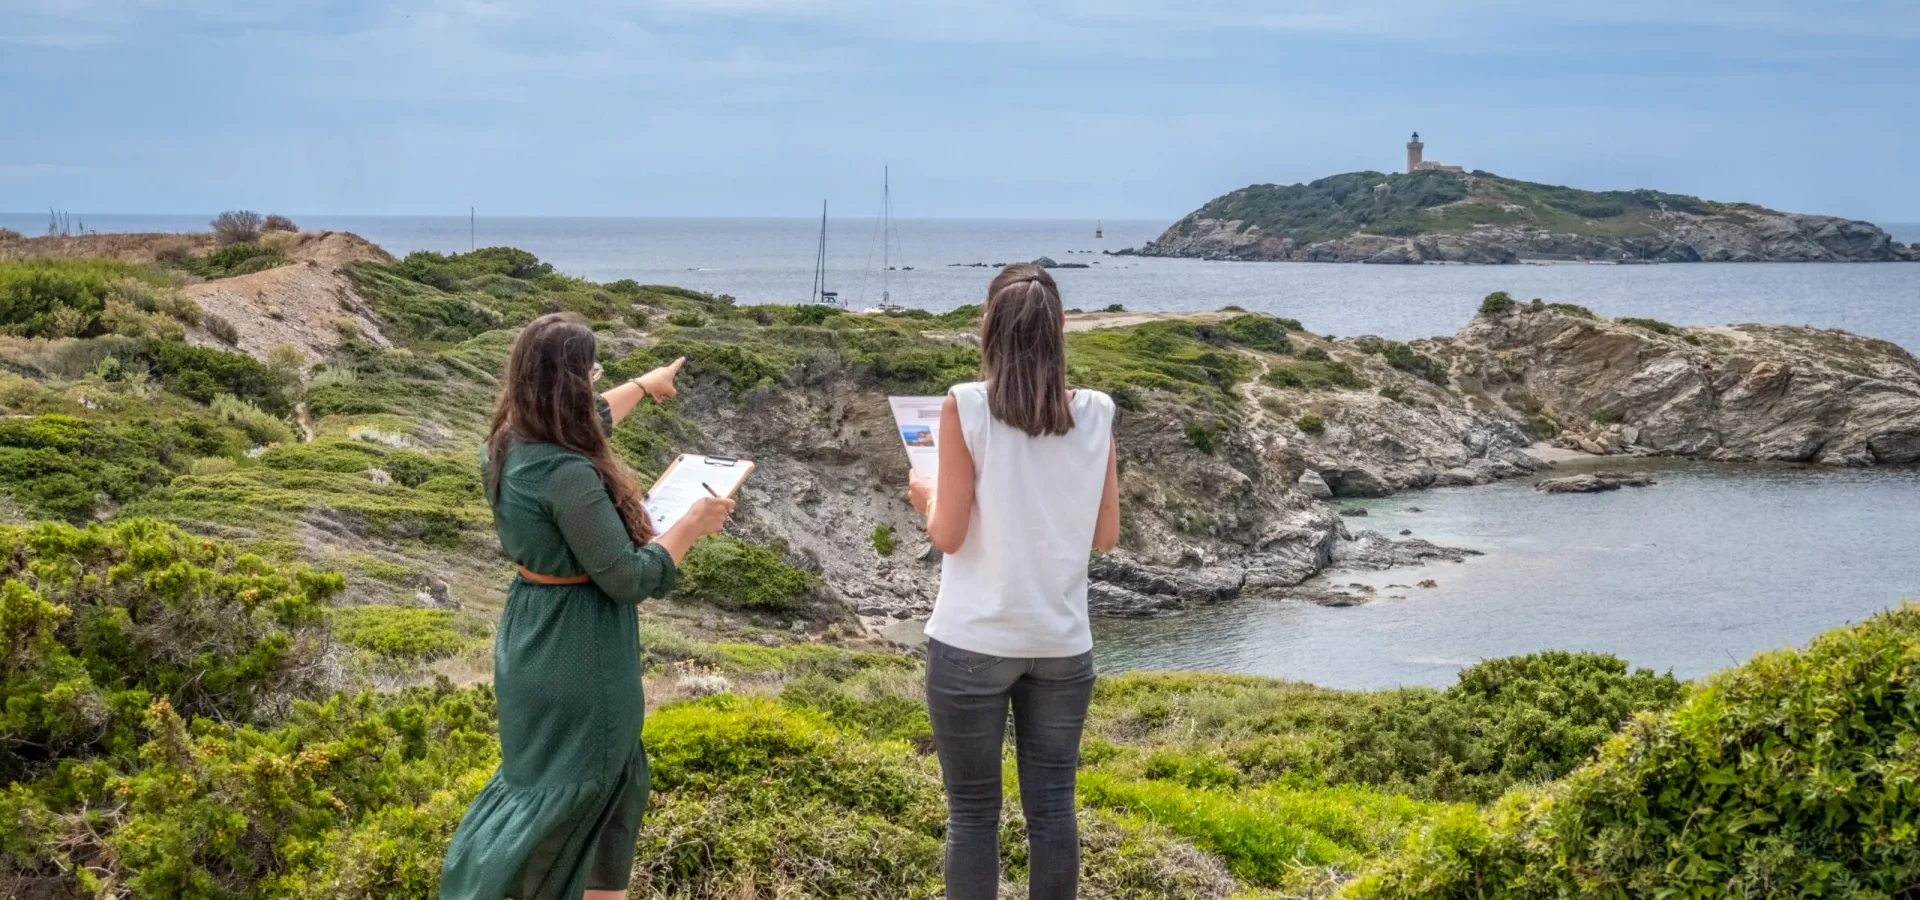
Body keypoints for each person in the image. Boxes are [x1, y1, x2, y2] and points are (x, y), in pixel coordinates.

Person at [440, 313, 734, 900]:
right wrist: (692, 525)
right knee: (591, 794)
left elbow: (589, 418)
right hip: (583, 650)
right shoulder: (568, 474)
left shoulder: (503, 446)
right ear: (571, 383)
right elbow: (628, 577)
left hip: (531, 637)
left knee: (559, 790)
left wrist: (646, 385)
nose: (597, 385)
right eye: (592, 373)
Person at [907, 264, 1122, 900]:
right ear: (1060, 328)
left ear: (989, 327)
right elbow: (1106, 537)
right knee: (1053, 810)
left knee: (973, 815)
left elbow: (948, 535)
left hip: (973, 640)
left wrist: (925, 495)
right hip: (1061, 642)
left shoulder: (965, 405)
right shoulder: (1098, 412)